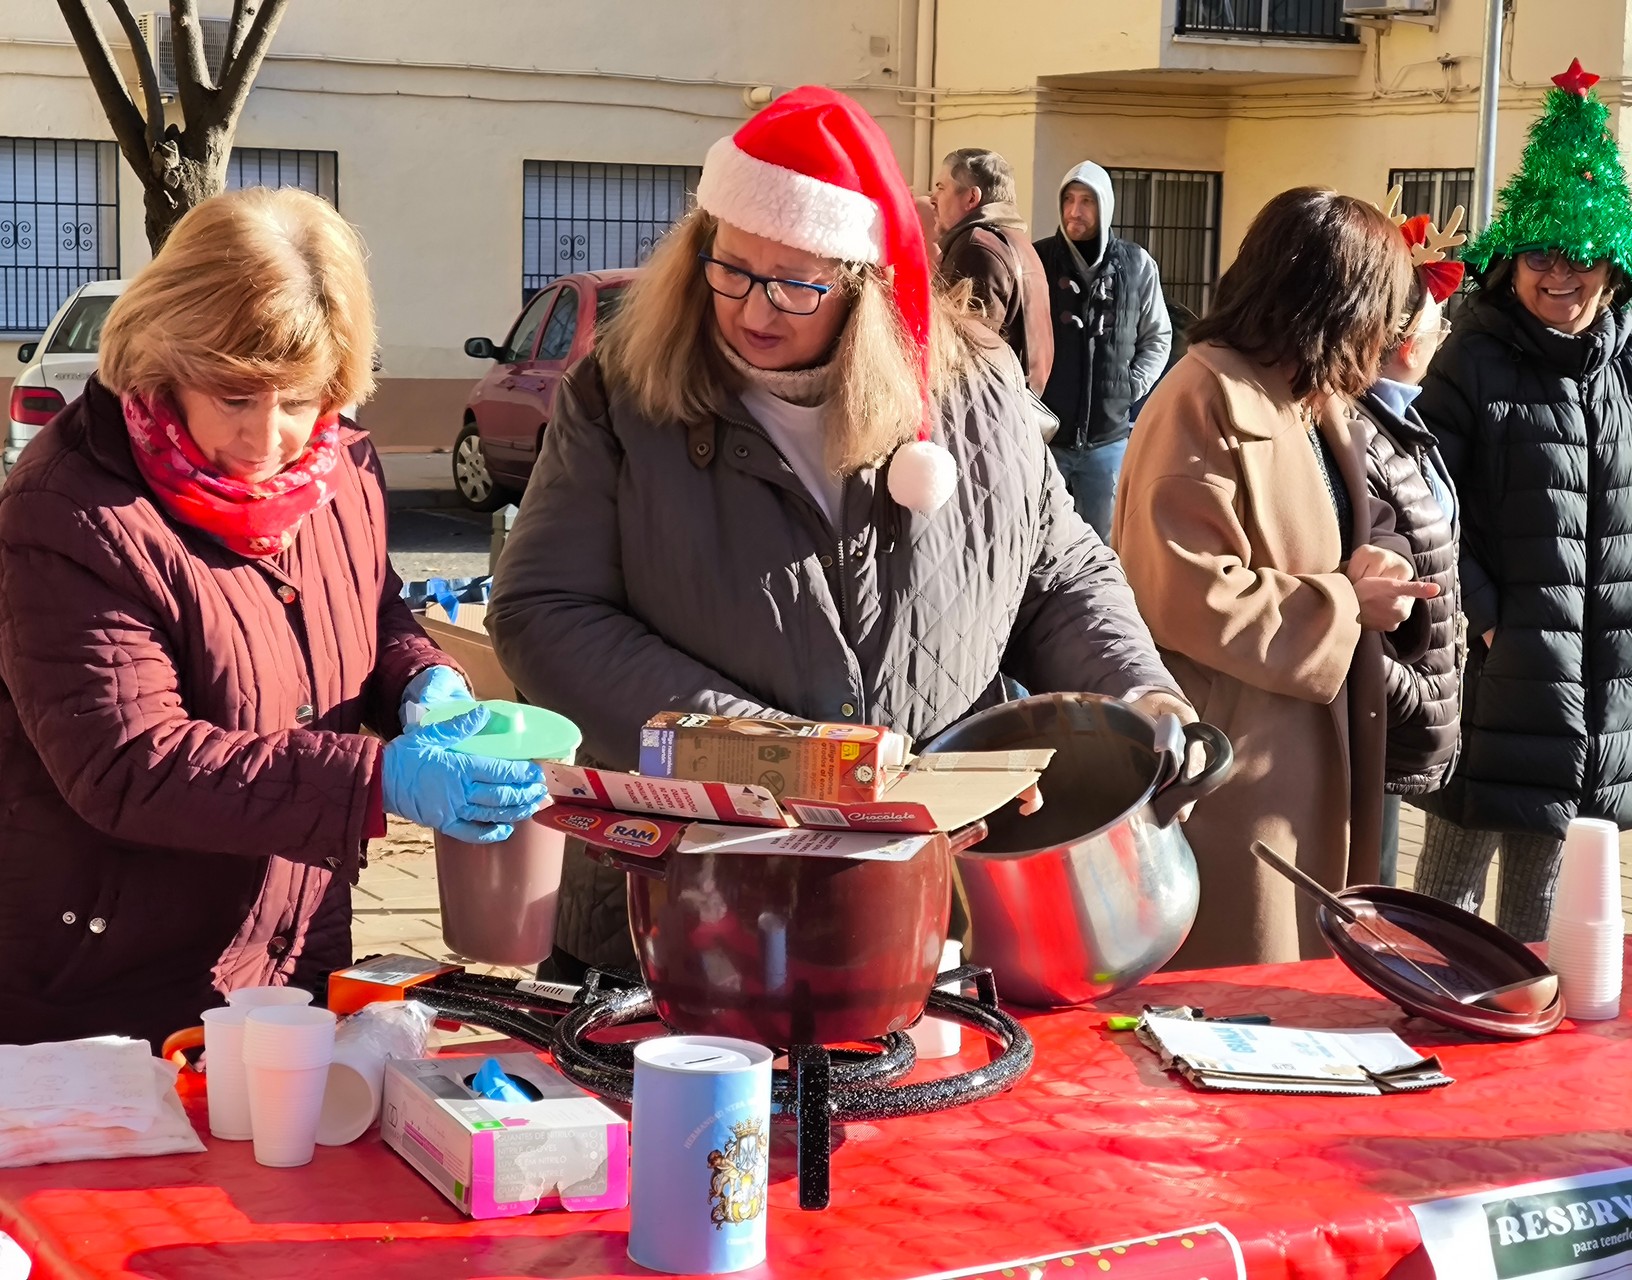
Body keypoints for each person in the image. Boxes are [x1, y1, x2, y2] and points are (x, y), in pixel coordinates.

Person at [487, 86, 1190, 978]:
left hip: (922, 910)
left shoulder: (975, 393)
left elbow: (1058, 576)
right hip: (681, 913)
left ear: (867, 284)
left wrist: (1145, 696)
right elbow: (543, 610)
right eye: (730, 268)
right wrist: (778, 755)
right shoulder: (621, 396)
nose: (752, 309)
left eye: (795, 284)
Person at [0, 188, 548, 1049]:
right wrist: (375, 781)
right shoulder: (70, 513)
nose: (267, 441)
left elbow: (369, 606)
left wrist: (421, 680)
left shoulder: (338, 467)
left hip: (293, 956)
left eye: (297, 401)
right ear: (165, 358)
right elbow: (128, 763)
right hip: (110, 988)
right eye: (235, 398)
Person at [1111, 187, 1437, 970]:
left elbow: (1348, 523)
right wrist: (1343, 602)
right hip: (1240, 769)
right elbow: (1183, 590)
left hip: (1309, 759)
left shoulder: (1310, 400)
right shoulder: (1203, 396)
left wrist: (1381, 560)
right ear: (1338, 301)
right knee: (1238, 996)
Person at [1413, 61, 1632, 940]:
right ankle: (1433, 1010)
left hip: (1604, 666)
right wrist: (1485, 612)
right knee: (1453, 891)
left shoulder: (1625, 363)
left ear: (1611, 267)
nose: (1560, 276)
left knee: (1555, 895)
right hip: (1501, 661)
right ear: (1512, 264)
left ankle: (1535, 1038)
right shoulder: (1472, 357)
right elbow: (1429, 502)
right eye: (1541, 255)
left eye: (1580, 257)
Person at [1357, 200, 1466, 886]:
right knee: (1373, 875)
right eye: (1439, 323)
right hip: (1385, 689)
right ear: (1407, 340)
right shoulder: (1361, 425)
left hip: (1411, 689)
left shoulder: (1406, 418)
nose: (1444, 335)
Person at [1035, 160, 1171, 539]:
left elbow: (1157, 336)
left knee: (1104, 547)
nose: (1075, 212)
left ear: (1105, 206)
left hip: (1107, 443)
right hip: (1046, 441)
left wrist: (1129, 388)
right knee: (1039, 543)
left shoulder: (1137, 264)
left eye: (1087, 202)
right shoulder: (1036, 261)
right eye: (1069, 200)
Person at [930, 148, 1053, 393]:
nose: (933, 197)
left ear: (971, 199)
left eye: (941, 187)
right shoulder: (1019, 243)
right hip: (1018, 412)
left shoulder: (976, 247)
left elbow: (963, 357)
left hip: (985, 415)